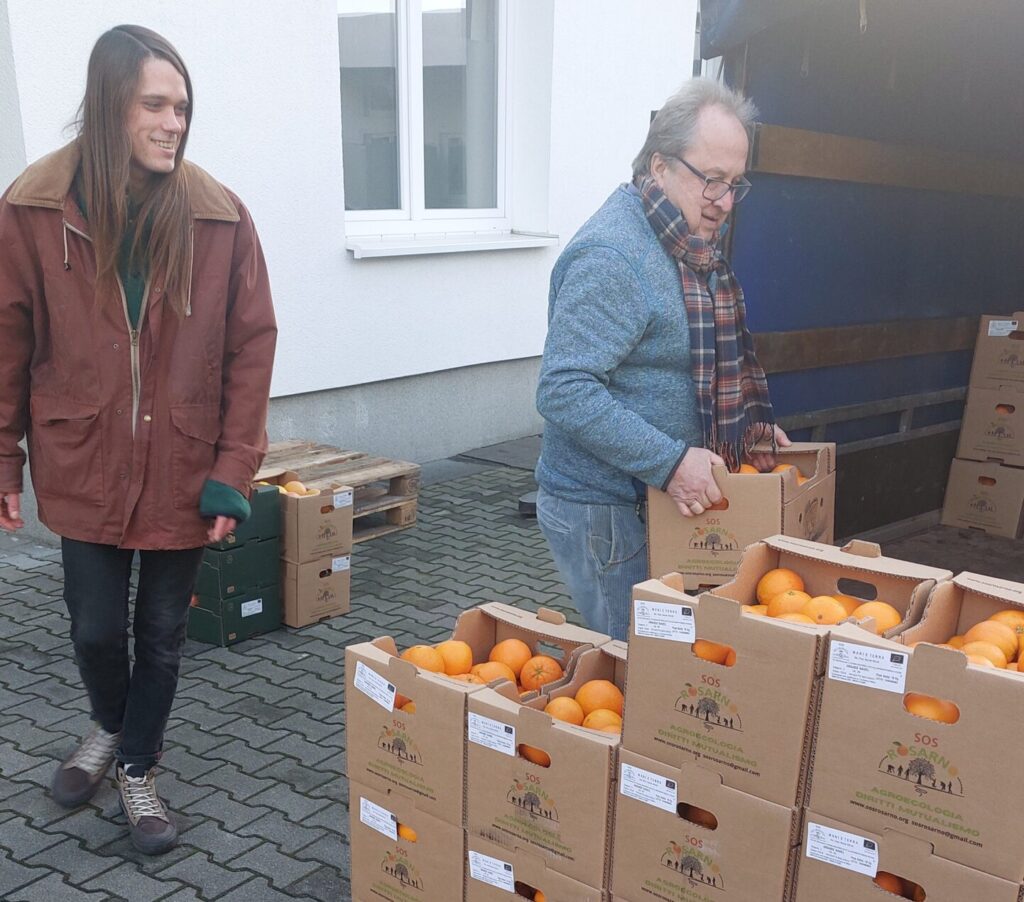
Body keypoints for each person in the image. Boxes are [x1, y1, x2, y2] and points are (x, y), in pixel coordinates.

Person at [0, 25, 277, 854]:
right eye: (155, 104)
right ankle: (110, 728)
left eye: (183, 107)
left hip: (184, 464)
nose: (173, 123)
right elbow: (7, 339)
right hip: (81, 458)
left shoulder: (219, 216)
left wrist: (235, 468)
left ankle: (137, 767)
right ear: (110, 105)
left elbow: (251, 344)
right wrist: (3, 458)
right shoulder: (33, 209)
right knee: (91, 629)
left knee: (160, 632)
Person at [535, 78, 788, 641]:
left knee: (666, 667)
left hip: (649, 500)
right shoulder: (614, 257)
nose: (724, 202)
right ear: (659, 166)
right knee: (640, 670)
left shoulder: (680, 241)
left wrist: (750, 428)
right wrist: (672, 463)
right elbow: (563, 389)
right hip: (604, 512)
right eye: (712, 180)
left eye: (735, 184)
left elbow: (689, 364)